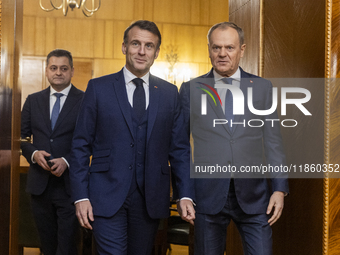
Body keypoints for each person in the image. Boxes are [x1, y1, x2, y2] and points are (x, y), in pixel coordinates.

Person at [70, 20, 195, 255]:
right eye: (135, 43)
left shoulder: (169, 93)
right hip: (105, 195)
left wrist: (185, 193)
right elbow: (79, 146)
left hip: (150, 199)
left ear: (156, 52)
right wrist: (80, 196)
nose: (141, 51)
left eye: (149, 46)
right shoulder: (98, 88)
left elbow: (179, 149)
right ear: (124, 47)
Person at [179, 22, 289, 255]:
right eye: (216, 47)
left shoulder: (262, 88)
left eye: (229, 47)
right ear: (209, 49)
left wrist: (279, 189)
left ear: (242, 49)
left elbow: (273, 142)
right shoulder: (191, 89)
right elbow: (180, 147)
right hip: (206, 197)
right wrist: (185, 193)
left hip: (255, 197)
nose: (222, 53)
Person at [21, 49, 84, 255]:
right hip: (40, 186)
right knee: (46, 245)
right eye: (54, 68)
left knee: (67, 246)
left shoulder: (85, 101)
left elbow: (90, 141)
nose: (58, 73)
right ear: (46, 71)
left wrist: (67, 160)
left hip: (70, 187)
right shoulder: (33, 100)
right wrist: (33, 153)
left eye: (64, 68)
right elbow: (21, 139)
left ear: (72, 71)